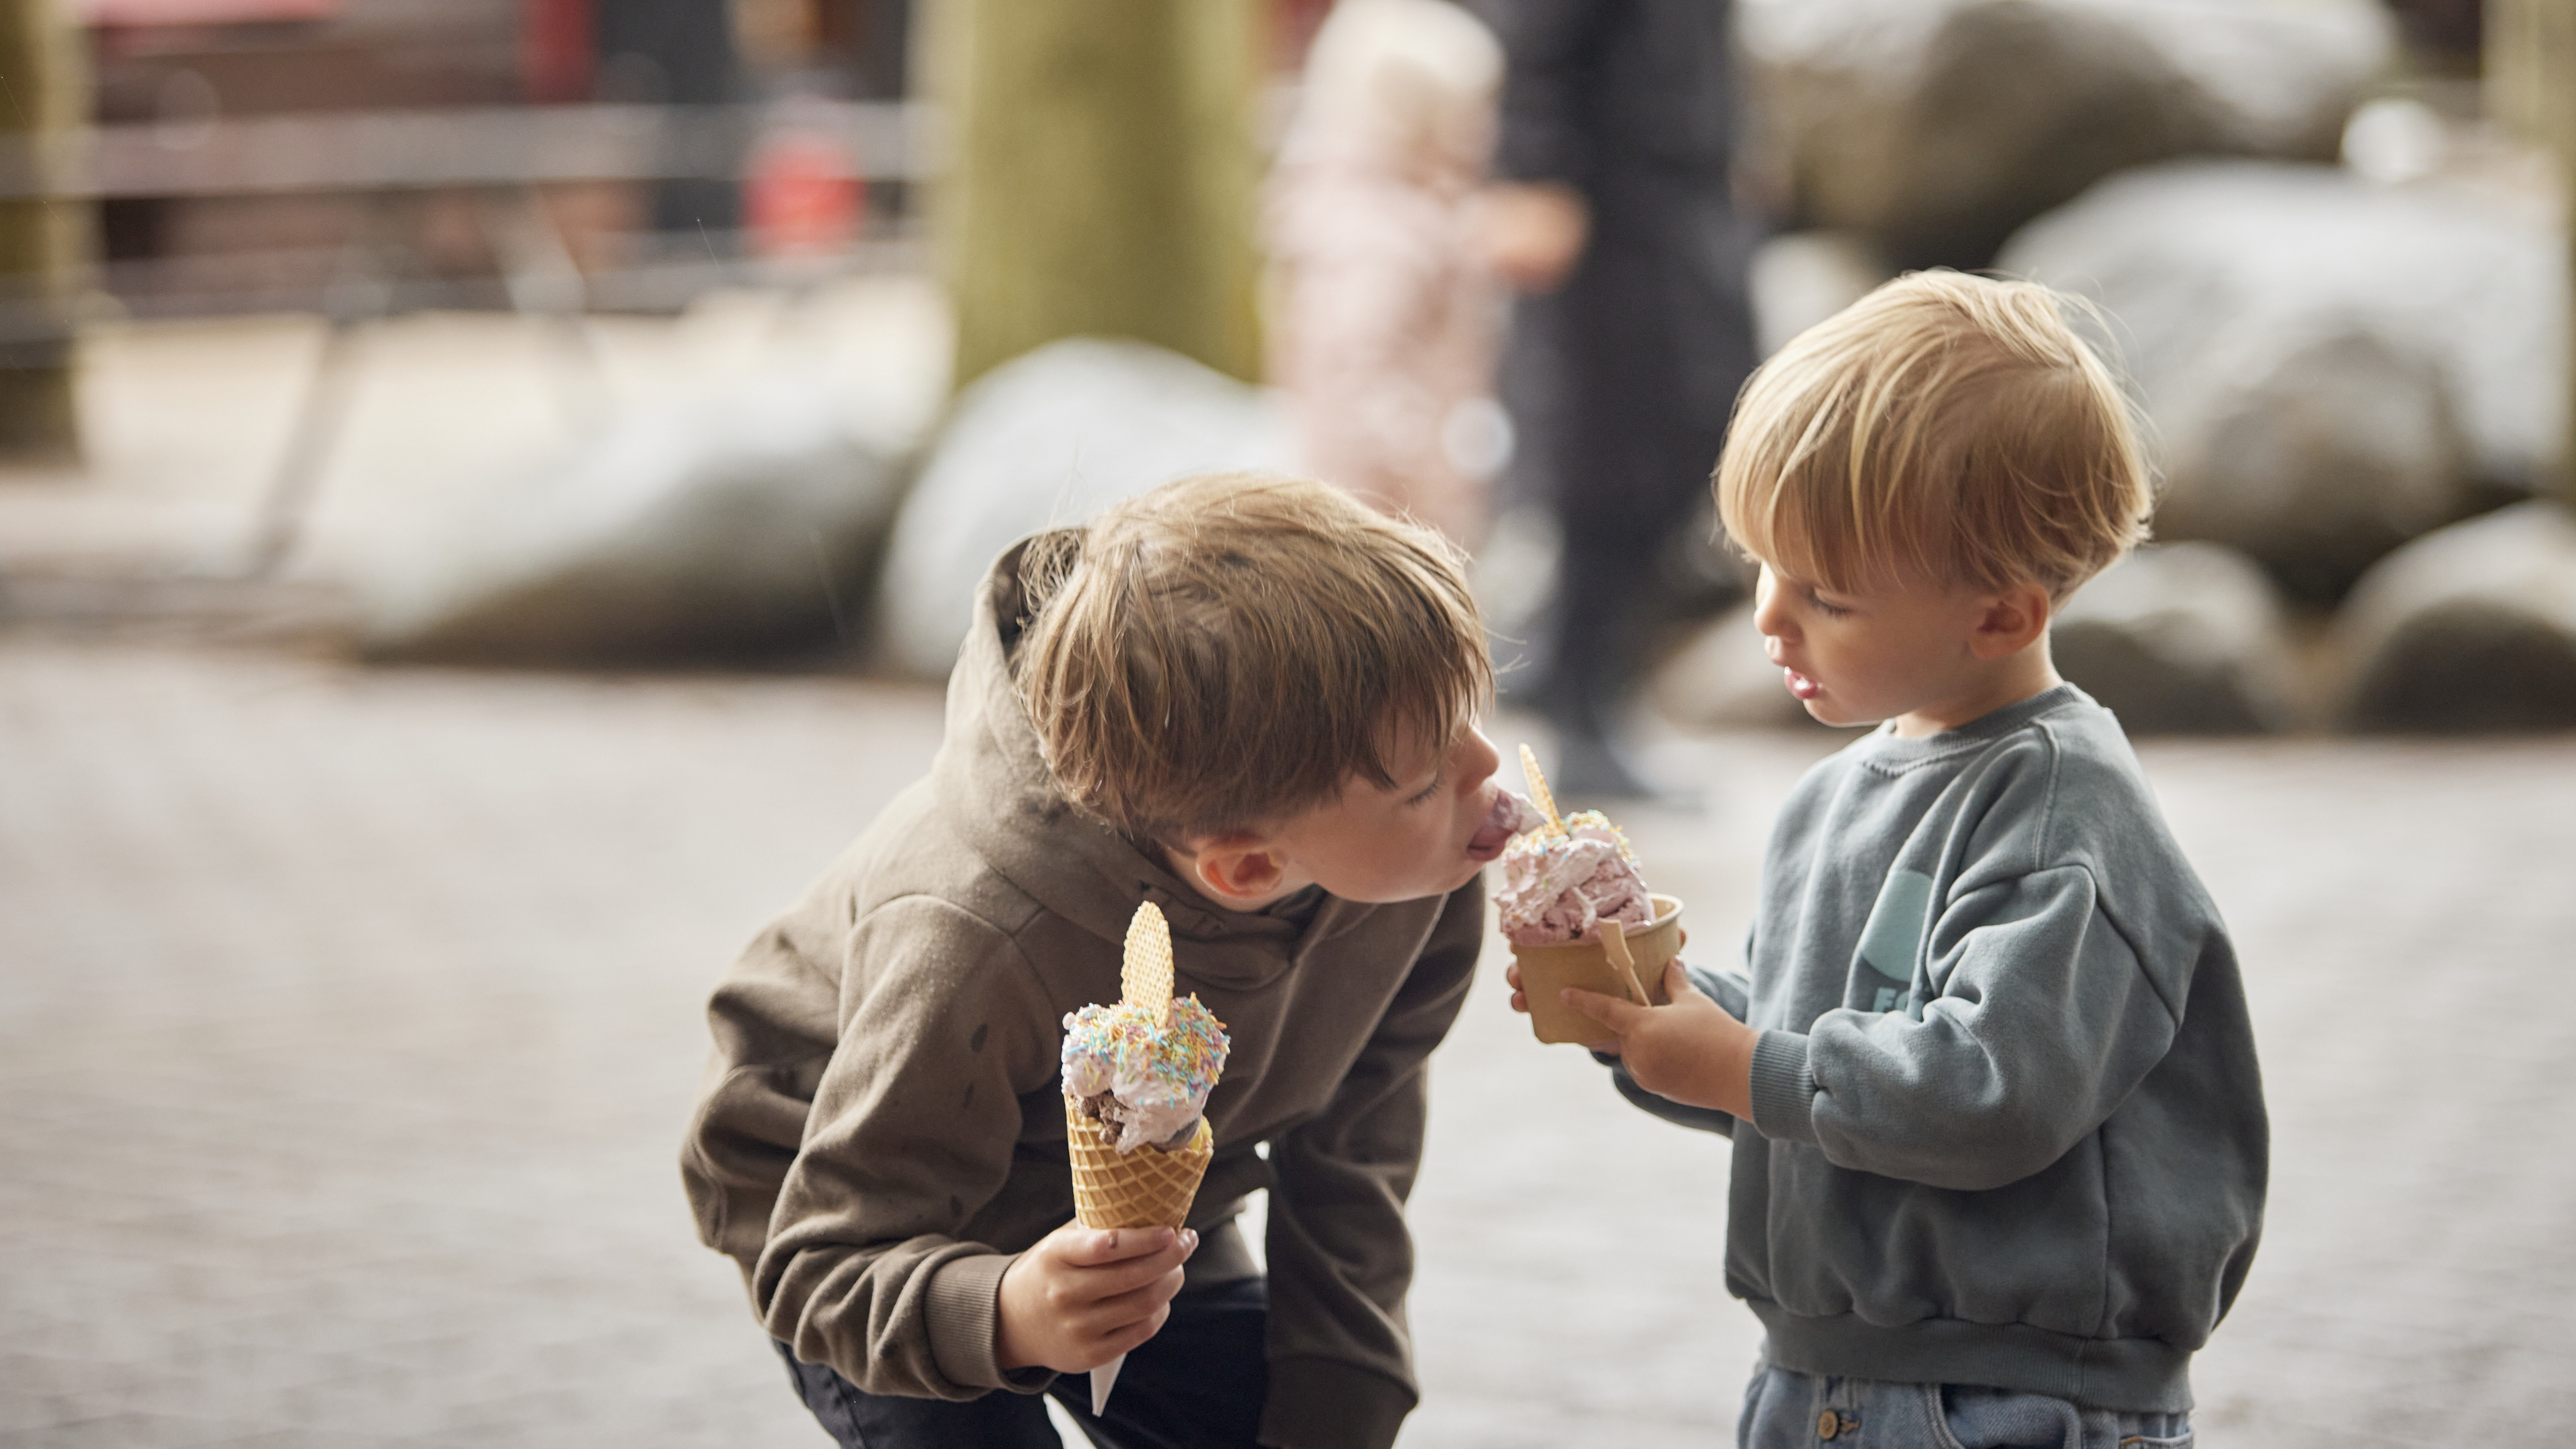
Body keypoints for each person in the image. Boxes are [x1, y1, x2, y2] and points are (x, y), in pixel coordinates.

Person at [1519, 272, 2268, 1447]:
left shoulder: (2063, 814)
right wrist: (1646, 1012)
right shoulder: (1829, 799)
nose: (1770, 619)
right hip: (1816, 1369)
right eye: (1765, 566)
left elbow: (1984, 1090)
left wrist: (1743, 1065)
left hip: (2004, 1394)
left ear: (1999, 617)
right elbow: (1802, 1047)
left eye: (1827, 595)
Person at [681, 472, 1527, 1449]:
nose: (1486, 773)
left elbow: (1353, 1153)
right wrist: (1005, 1308)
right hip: (883, 1243)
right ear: (1248, 866)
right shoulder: (972, 934)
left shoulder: (1417, 872)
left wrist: (1343, 1395)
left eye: (1469, 717)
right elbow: (820, 1259)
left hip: (1146, 1224)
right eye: (1425, 781)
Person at [1472, 0, 1760, 798]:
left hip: (1685, 200)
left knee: (1701, 435)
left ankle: (1567, 678)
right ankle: (1579, 710)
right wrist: (1532, 171)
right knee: (1607, 462)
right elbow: (1538, 37)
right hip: (1605, 219)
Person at [1265, 0, 1508, 548]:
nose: (1481, 135)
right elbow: (1361, 373)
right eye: (1463, 117)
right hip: (1383, 511)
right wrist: (1418, 474)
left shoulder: (1410, 217)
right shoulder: (1375, 240)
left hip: (1406, 498)